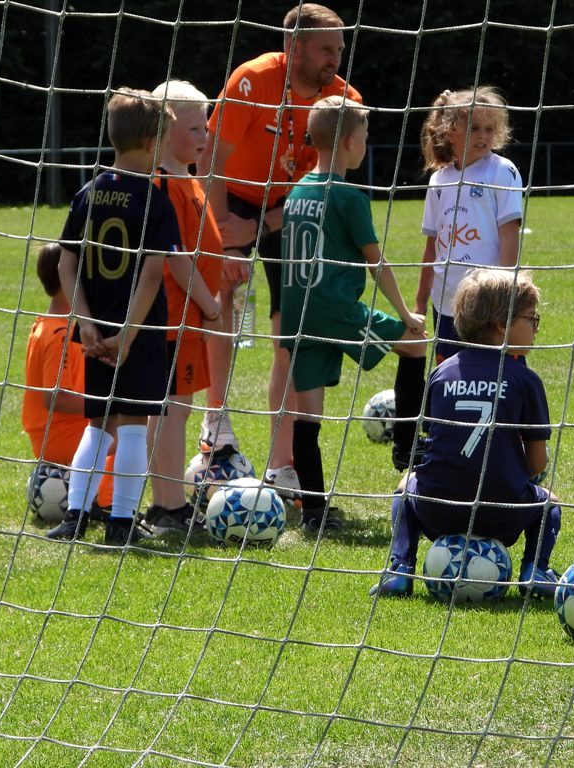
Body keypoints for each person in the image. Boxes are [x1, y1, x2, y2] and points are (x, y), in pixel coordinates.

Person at [199, 3, 362, 500]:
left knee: (289, 332)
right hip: (233, 197)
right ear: (293, 47)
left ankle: (282, 463)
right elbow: (211, 161)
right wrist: (228, 241)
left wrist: (265, 224)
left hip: (292, 207)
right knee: (220, 302)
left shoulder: (343, 101)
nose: (335, 58)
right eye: (326, 48)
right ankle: (216, 421)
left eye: (339, 49)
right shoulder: (252, 80)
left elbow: (320, 187)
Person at [279, 96, 427, 534]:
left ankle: (314, 511)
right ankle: (407, 447)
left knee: (308, 417)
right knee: (415, 344)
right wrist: (405, 313)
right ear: (348, 141)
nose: (365, 143)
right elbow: (376, 263)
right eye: (364, 136)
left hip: (298, 315)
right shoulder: (348, 196)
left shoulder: (296, 193)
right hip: (335, 309)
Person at [371, 268, 562, 599]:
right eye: (532, 318)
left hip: (438, 510)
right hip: (503, 514)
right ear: (502, 325)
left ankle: (400, 567)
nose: (536, 327)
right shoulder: (526, 380)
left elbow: (434, 443)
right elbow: (537, 463)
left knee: (405, 487)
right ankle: (535, 569)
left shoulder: (441, 374)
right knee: (550, 504)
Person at [46, 88, 182, 546]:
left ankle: (75, 517)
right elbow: (152, 274)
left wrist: (86, 323)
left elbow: (66, 263)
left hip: (95, 329)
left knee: (98, 424)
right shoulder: (155, 201)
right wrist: (129, 333)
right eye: (165, 141)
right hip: (137, 333)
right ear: (151, 143)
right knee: (134, 427)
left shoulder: (88, 193)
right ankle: (121, 523)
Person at [143, 79, 224, 534]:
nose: (204, 135)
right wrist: (210, 305)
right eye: (194, 128)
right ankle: (168, 507)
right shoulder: (164, 182)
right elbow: (176, 259)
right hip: (174, 318)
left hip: (188, 318)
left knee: (174, 410)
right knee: (171, 411)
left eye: (206, 127)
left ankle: (166, 503)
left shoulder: (187, 178)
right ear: (163, 130)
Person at [416, 86, 523, 364]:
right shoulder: (438, 180)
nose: (483, 136)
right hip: (446, 301)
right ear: (450, 131)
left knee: (499, 374)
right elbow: (431, 247)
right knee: (452, 376)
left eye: (489, 129)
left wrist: (506, 293)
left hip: (488, 301)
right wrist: (420, 304)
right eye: (474, 128)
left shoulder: (502, 171)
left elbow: (509, 235)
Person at [21, 243, 112, 519]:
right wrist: (104, 406)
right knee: (131, 432)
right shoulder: (60, 333)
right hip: (61, 436)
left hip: (52, 433)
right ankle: (104, 503)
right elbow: (55, 397)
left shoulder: (46, 324)